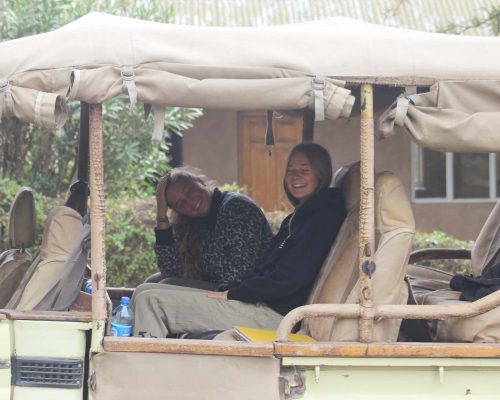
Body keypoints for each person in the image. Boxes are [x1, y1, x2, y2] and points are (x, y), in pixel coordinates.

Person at [132, 143, 346, 338]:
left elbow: (287, 277)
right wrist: (161, 213)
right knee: (147, 289)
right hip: (258, 300)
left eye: (305, 170)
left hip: (276, 314)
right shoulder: (299, 218)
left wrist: (233, 292)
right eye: (290, 169)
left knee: (149, 300)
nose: (295, 176)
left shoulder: (321, 217)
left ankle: (147, 372)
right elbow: (172, 269)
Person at [153, 168, 273, 289]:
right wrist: (161, 213)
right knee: (153, 282)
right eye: (181, 204)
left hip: (249, 294)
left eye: (189, 191)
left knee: (166, 286)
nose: (189, 202)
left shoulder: (237, 207)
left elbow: (236, 276)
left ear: (200, 181)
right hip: (220, 290)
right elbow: (170, 271)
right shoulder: (192, 224)